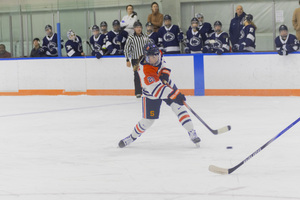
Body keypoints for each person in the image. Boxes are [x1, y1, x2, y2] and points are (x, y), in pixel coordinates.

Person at [118, 42, 201, 148]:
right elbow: (157, 90)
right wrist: (176, 95)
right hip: (152, 93)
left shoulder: (157, 54)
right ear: (146, 56)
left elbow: (163, 62)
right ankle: (131, 137)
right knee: (148, 121)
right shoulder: (145, 71)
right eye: (152, 56)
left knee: (178, 107)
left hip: (165, 84)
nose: (155, 58)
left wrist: (165, 74)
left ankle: (191, 131)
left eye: (156, 55)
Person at [124, 21, 149, 98]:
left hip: (144, 58)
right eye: (137, 27)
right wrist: (127, 59)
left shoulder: (145, 36)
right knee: (137, 75)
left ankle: (147, 90)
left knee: (146, 74)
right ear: (134, 28)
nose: (139, 29)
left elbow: (149, 46)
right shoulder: (131, 37)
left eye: (140, 27)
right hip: (135, 59)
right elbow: (126, 48)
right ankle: (138, 92)